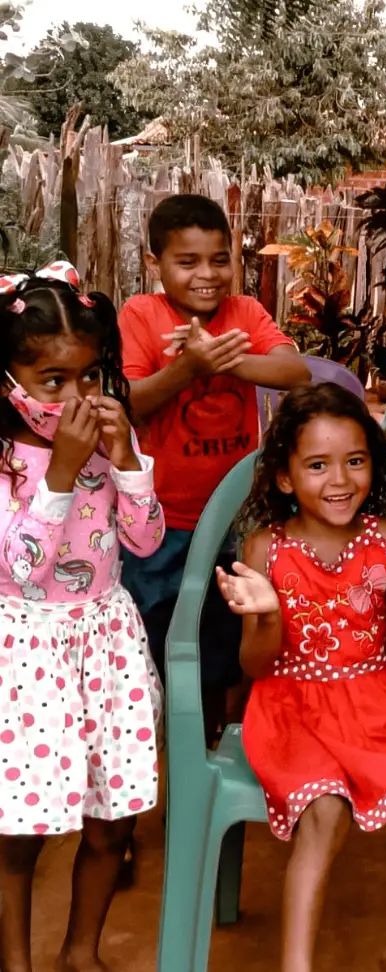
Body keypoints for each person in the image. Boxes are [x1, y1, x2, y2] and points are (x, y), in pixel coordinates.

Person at [215, 383, 386, 972]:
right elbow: (255, 666)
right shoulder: (265, 548)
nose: (340, 480)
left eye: (355, 461)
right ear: (284, 477)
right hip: (289, 704)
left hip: (378, 698)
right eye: (317, 465)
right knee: (323, 808)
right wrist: (268, 615)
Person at [0, 266, 163, 972]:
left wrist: (124, 460)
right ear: (7, 378)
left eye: (89, 377)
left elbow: (146, 540)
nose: (75, 397)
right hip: (26, 655)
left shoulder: (103, 450)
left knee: (111, 818)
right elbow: (19, 569)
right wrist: (61, 472)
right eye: (52, 380)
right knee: (20, 833)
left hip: (107, 647)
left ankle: (80, 952)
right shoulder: (8, 460)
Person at [119, 193, 309, 741]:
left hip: (235, 520)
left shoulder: (245, 313)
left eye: (220, 259)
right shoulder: (141, 314)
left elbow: (294, 370)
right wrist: (187, 368)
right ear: (155, 263)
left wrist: (225, 358)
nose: (208, 274)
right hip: (159, 523)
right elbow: (130, 400)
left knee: (224, 637)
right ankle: (156, 745)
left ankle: (212, 743)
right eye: (188, 261)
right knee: (156, 636)